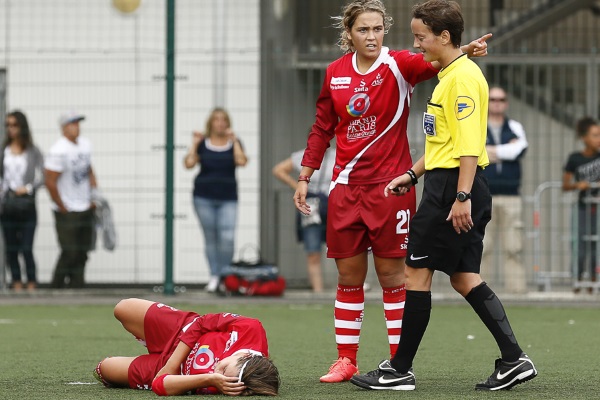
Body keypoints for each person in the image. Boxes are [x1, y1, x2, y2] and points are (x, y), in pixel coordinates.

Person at [293, 0, 490, 383]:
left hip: (390, 189)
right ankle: (345, 360)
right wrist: (305, 176)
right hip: (345, 188)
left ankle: (397, 363)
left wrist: (466, 49)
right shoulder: (334, 73)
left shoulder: (398, 63)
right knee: (348, 277)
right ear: (348, 33)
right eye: (364, 29)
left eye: (378, 28)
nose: (372, 36)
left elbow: (436, 61)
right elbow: (321, 127)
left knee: (393, 278)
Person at [349, 0, 537, 391]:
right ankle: (514, 360)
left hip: (454, 188)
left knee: (416, 274)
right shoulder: (450, 73)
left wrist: (461, 196)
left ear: (444, 37)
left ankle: (399, 369)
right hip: (448, 182)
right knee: (465, 277)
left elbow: (468, 146)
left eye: (421, 37)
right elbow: (444, 143)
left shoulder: (462, 79)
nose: (416, 44)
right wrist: (412, 173)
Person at [94, 298, 279, 396]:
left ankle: (148, 346)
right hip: (180, 330)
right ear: (245, 356)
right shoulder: (251, 329)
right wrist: (172, 364)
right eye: (223, 369)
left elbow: (159, 384)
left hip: (166, 369)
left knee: (104, 369)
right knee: (123, 308)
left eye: (219, 377)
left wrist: (210, 380)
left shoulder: (222, 384)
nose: (216, 371)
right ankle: (147, 338)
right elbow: (202, 322)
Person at [184, 108, 248, 293]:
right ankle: (214, 276)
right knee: (211, 238)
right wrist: (194, 144)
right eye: (216, 120)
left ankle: (225, 276)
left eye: (223, 120)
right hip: (203, 196)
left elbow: (242, 161)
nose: (220, 123)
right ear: (210, 123)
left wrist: (234, 141)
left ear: (227, 123)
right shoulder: (202, 143)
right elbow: (188, 164)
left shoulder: (234, 142)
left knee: (227, 237)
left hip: (228, 197)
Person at [481, 86, 529, 293]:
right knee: (483, 247)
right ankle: (479, 292)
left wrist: (493, 152)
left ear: (506, 102)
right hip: (484, 195)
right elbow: (475, 151)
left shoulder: (515, 126)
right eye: (492, 99)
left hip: (511, 195)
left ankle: (517, 292)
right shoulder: (478, 124)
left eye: (501, 99)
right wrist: (505, 152)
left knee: (514, 246)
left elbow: (519, 149)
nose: (497, 103)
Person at [45, 110, 97, 288]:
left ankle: (78, 286)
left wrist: (94, 195)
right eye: (72, 124)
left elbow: (89, 170)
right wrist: (62, 206)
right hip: (67, 209)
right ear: (64, 128)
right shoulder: (58, 150)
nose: (76, 127)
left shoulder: (85, 145)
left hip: (85, 206)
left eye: (77, 123)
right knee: (70, 251)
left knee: (83, 251)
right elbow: (50, 181)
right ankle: (56, 287)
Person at [273, 147, 335, 293]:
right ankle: (318, 293)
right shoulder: (301, 155)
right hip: (311, 206)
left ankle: (346, 288)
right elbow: (278, 169)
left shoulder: (338, 155)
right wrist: (298, 187)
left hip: (333, 204)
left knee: (344, 249)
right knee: (313, 250)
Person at [0, 111, 44, 292]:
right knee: (11, 248)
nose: (11, 129)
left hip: (26, 204)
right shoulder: (4, 150)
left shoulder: (33, 151)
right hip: (8, 205)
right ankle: (16, 282)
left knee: (26, 247)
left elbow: (43, 176)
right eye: (8, 125)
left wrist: (28, 188)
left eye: (14, 125)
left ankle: (31, 282)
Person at [562, 117, 600, 293]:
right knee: (580, 245)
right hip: (583, 208)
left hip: (598, 208)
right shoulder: (575, 158)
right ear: (584, 138)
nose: (598, 138)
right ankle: (577, 280)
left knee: (596, 246)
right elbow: (565, 185)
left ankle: (594, 281)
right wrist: (579, 185)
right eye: (595, 135)